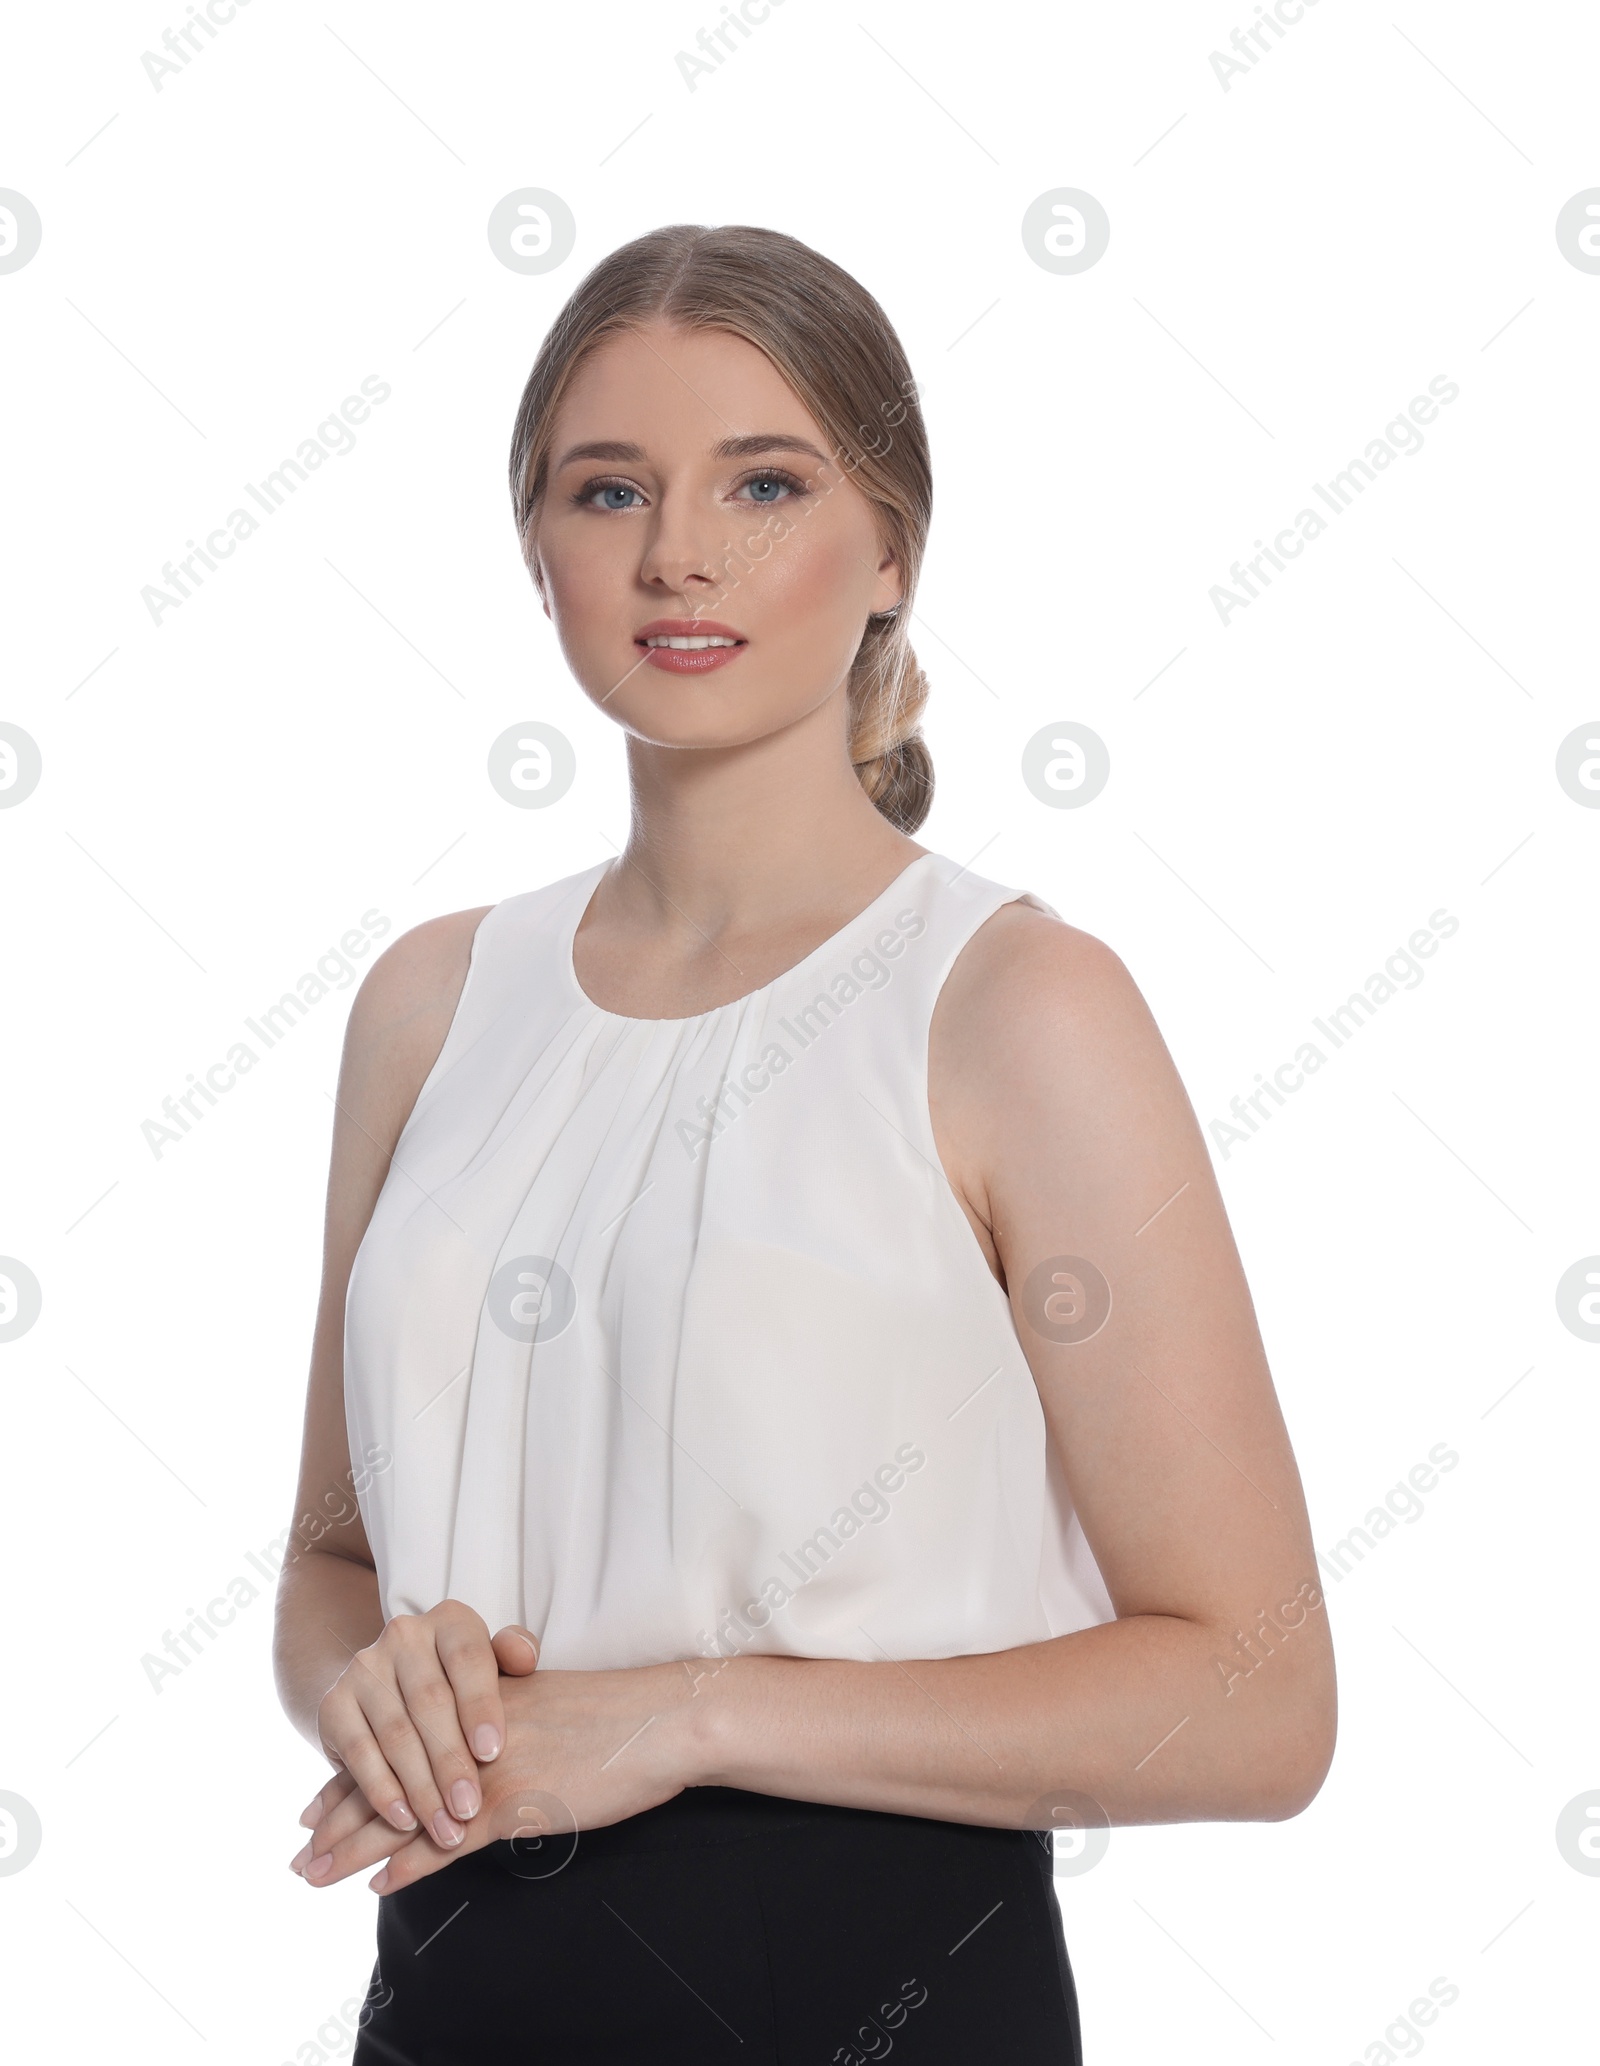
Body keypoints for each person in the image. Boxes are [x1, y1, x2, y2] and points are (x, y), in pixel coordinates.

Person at [272, 222, 1336, 2062]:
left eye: (763, 482)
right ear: (537, 553)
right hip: (454, 1989)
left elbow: (1258, 1699)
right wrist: (382, 1690)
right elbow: (327, 1564)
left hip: (865, 1991)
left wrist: (685, 1714)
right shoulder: (433, 1002)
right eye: (612, 489)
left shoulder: (1016, 1008)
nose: (680, 550)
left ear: (894, 548)